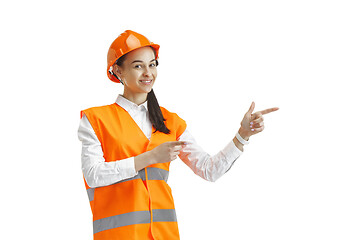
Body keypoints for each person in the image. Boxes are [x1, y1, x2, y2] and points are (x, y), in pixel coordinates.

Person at [77, 30, 279, 240]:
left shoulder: (170, 122)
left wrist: (242, 135)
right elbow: (93, 175)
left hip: (165, 235)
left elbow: (209, 170)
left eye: (152, 64)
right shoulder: (95, 119)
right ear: (118, 71)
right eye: (138, 66)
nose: (148, 72)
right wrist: (150, 158)